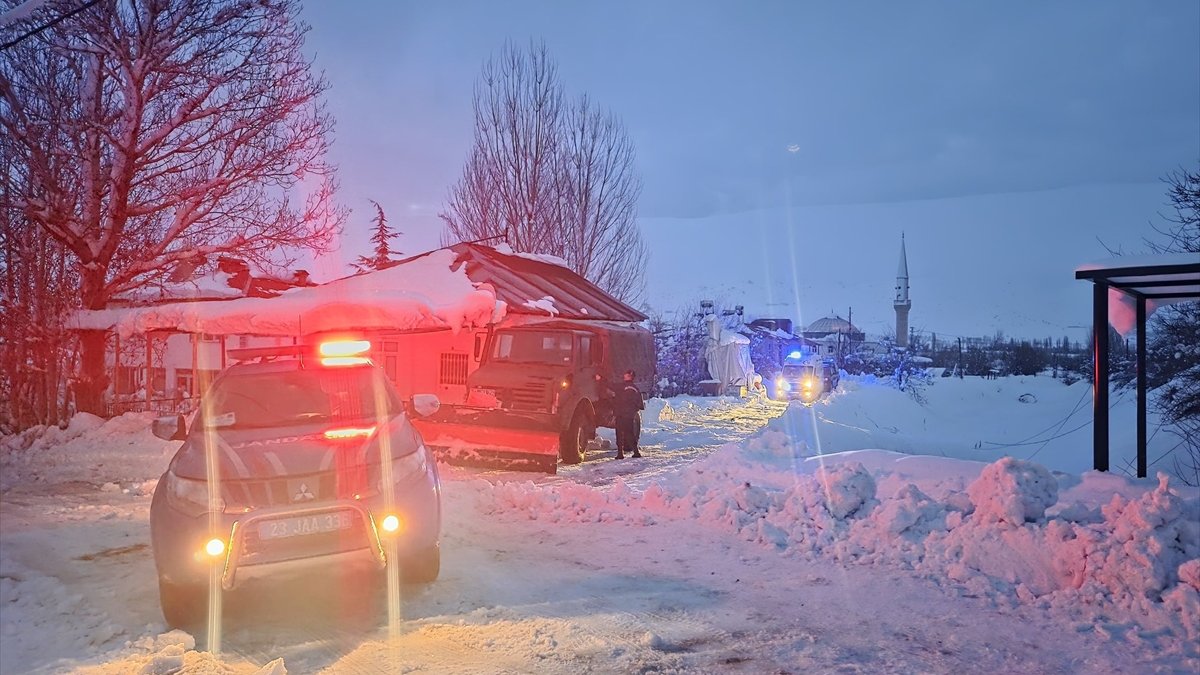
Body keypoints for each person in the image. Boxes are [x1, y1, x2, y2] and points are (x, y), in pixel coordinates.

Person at [612, 369, 645, 459]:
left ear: (630, 376)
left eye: (626, 374)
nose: (624, 375)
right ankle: (636, 452)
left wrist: (600, 379)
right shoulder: (635, 388)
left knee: (619, 433)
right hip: (629, 415)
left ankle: (620, 454)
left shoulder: (622, 387)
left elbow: (611, 386)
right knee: (629, 433)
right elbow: (640, 404)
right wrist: (633, 411)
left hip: (621, 414)